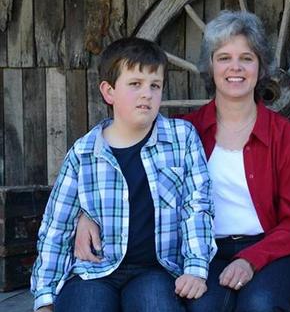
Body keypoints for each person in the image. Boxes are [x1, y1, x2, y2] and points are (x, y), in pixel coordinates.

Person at [75, 10, 290, 312]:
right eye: (224, 57)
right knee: (203, 307)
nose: (236, 68)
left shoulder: (286, 137)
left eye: (247, 58)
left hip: (268, 248)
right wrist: (84, 215)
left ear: (260, 67)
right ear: (210, 66)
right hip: (202, 252)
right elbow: (126, 172)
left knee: (261, 305)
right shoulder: (183, 133)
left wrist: (250, 260)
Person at [30, 37, 215, 312]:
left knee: (156, 306)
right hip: (94, 271)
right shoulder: (84, 153)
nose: (147, 94)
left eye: (155, 86)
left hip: (154, 269)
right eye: (135, 84)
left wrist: (196, 268)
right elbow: (57, 226)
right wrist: (44, 298)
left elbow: (196, 207)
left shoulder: (181, 139)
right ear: (108, 91)